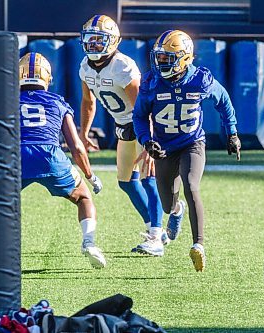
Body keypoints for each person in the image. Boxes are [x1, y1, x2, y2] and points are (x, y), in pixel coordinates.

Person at [133, 30, 241, 272]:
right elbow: (139, 116)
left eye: (167, 58)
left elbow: (223, 100)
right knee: (167, 203)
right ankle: (177, 210)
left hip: (193, 142)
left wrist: (232, 133)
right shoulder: (151, 83)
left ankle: (198, 245)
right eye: (159, 58)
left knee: (191, 185)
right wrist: (146, 140)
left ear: (183, 58)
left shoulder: (200, 80)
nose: (161, 63)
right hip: (163, 148)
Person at [78, 14, 167, 256]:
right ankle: (156, 227)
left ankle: (156, 237)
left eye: (99, 40)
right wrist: (84, 132)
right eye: (90, 40)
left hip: (143, 124)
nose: (93, 45)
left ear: (113, 41)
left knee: (149, 179)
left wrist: (150, 141)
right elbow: (88, 101)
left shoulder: (122, 66)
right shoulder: (85, 66)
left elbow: (142, 108)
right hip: (123, 126)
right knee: (126, 182)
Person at [19, 52, 106, 269]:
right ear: (47, 77)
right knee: (84, 198)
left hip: (16, 157)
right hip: (50, 156)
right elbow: (76, 147)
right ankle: (89, 242)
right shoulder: (57, 101)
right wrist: (91, 176)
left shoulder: (5, 100)